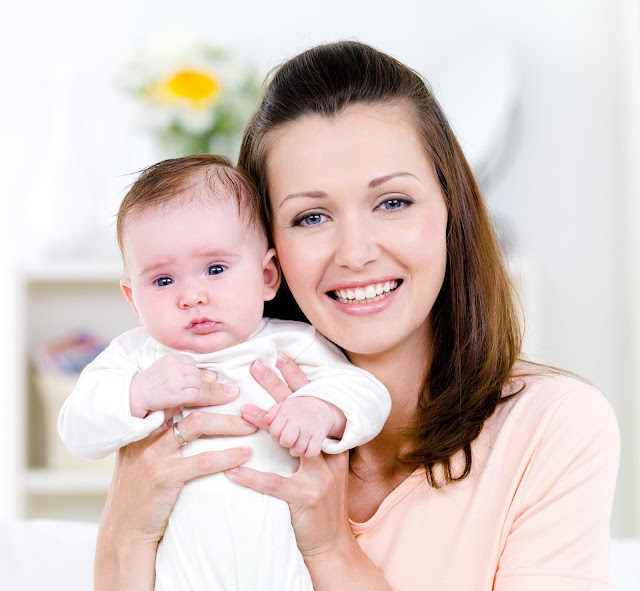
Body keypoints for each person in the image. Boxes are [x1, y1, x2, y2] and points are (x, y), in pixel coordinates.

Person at [94, 41, 620, 590]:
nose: (356, 252)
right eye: (311, 216)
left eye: (392, 202)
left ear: (451, 208)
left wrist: (332, 549)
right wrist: (125, 533)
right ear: (263, 252)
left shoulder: (553, 427)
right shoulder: (200, 412)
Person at [58, 154, 390, 590]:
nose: (192, 296)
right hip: (183, 572)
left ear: (267, 275)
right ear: (133, 299)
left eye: (215, 269)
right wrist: (137, 393)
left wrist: (321, 409)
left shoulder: (292, 343)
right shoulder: (136, 357)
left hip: (283, 566)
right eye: (162, 281)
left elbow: (366, 393)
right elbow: (76, 428)